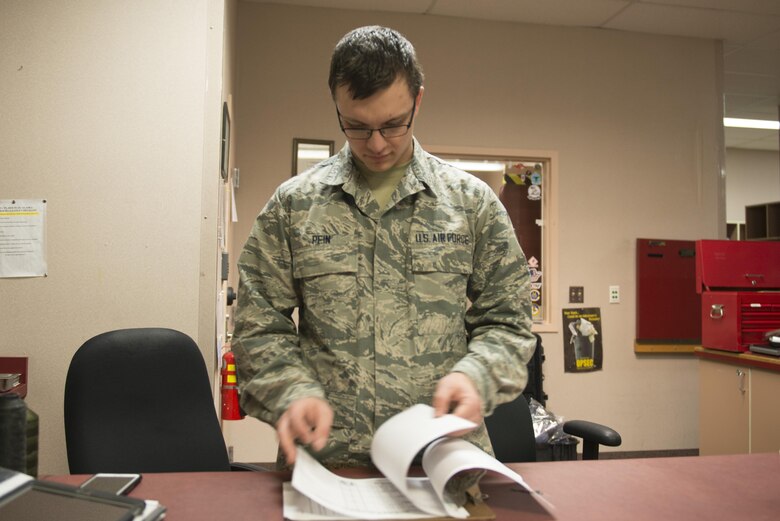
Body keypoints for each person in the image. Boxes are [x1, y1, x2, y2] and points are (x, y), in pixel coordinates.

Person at [232, 25, 536, 470]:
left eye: (393, 125)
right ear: (337, 107)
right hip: (327, 460)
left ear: (418, 101)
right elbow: (259, 325)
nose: (376, 144)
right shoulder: (295, 205)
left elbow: (508, 321)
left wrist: (477, 376)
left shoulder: (470, 204)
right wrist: (291, 392)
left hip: (440, 457)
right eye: (356, 126)